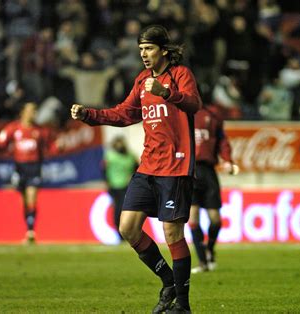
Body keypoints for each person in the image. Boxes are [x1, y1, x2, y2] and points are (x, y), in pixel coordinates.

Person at [71, 25, 202, 313]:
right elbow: (124, 114)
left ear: (163, 50)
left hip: (175, 165)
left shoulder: (180, 75)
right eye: (141, 49)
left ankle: (183, 305)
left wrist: (166, 93)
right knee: (127, 227)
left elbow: (194, 104)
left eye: (149, 48)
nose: (143, 54)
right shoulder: (142, 80)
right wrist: (89, 114)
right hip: (148, 165)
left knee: (172, 234)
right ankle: (168, 281)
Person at [0, 102, 52, 244]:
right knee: (24, 200)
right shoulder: (13, 129)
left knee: (31, 197)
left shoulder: (40, 131)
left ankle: (31, 231)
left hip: (34, 167)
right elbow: (1, 144)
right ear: (22, 113)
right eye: (30, 111)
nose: (33, 114)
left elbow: (50, 147)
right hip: (19, 167)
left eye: (34, 111)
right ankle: (28, 228)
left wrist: (58, 147)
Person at [189, 102, 239, 274]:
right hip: (188, 171)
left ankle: (210, 249)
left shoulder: (212, 116)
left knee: (215, 219)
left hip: (208, 171)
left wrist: (227, 160)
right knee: (192, 218)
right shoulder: (179, 114)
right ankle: (202, 261)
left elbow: (222, 141)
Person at [103, 136, 138, 235]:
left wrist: (132, 178)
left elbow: (137, 168)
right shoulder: (110, 156)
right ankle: (120, 232)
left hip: (126, 187)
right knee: (118, 209)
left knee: (124, 210)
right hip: (114, 187)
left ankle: (125, 231)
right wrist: (107, 182)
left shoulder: (130, 156)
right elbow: (104, 170)